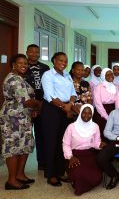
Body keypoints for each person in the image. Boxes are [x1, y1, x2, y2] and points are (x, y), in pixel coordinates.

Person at [1, 54, 40, 190]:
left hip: (23, 118)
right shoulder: (13, 79)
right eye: (20, 63)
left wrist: (34, 107)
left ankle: (20, 175)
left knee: (25, 145)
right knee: (12, 148)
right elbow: (27, 100)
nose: (24, 65)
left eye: (26, 63)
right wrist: (39, 104)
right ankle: (11, 181)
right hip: (13, 119)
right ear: (13, 65)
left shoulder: (20, 78)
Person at [41, 52, 77, 186]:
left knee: (63, 141)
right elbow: (50, 95)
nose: (63, 63)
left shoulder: (67, 75)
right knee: (51, 142)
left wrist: (70, 105)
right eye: (60, 60)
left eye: (65, 61)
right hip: (52, 110)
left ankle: (60, 171)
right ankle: (50, 174)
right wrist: (64, 107)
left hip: (66, 109)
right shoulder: (48, 75)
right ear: (54, 60)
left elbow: (73, 93)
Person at [62, 104, 104, 195]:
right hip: (74, 156)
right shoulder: (71, 127)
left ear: (92, 115)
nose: (86, 115)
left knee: (98, 177)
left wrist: (100, 145)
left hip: (89, 155)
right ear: (80, 113)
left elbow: (96, 143)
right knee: (79, 173)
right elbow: (66, 144)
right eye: (84, 113)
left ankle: (77, 182)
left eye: (89, 113)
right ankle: (77, 185)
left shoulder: (95, 126)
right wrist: (70, 157)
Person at [25, 44, 50, 171]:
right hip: (26, 105)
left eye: (36, 52)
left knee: (41, 134)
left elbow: (47, 87)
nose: (34, 54)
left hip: (42, 105)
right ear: (27, 52)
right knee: (25, 135)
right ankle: (20, 167)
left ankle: (42, 161)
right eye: (31, 52)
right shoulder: (23, 67)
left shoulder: (45, 68)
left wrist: (40, 106)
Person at [93, 68, 117, 140]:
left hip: (113, 111)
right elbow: (98, 104)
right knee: (103, 133)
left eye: (111, 74)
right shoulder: (98, 87)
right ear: (103, 76)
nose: (111, 76)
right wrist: (107, 117)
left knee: (112, 133)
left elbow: (118, 102)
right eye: (108, 74)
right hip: (101, 113)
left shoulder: (115, 87)